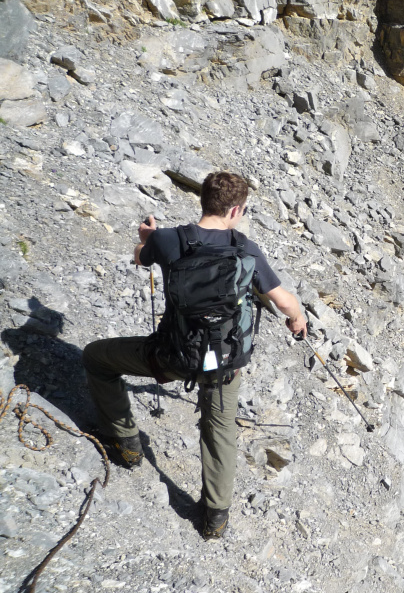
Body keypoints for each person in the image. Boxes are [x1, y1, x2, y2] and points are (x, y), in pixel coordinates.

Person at [83, 171, 307, 539]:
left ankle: (127, 445)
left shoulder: (169, 240)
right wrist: (297, 320)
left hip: (173, 356)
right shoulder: (246, 249)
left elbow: (139, 257)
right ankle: (215, 518)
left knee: (96, 357)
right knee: (220, 430)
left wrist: (148, 240)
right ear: (235, 210)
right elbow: (284, 302)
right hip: (224, 364)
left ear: (203, 200)